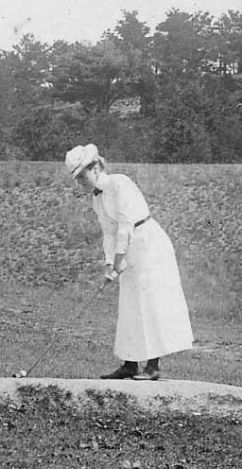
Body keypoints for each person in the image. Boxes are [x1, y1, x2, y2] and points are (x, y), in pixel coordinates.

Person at [64, 144, 193, 380]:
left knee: (150, 303)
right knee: (130, 304)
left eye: (81, 176)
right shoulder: (97, 199)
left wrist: (118, 263)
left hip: (149, 246)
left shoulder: (119, 183)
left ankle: (153, 367)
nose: (79, 182)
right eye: (76, 178)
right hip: (131, 250)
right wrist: (109, 265)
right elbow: (109, 234)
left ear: (95, 168)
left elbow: (125, 227)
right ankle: (130, 364)